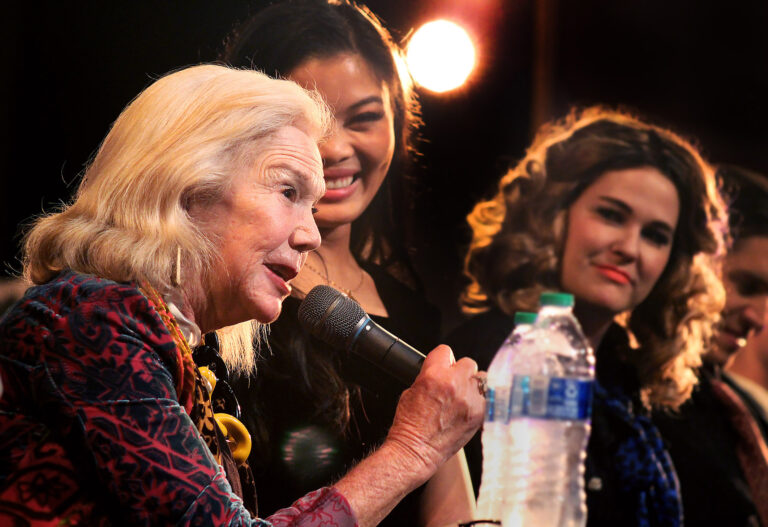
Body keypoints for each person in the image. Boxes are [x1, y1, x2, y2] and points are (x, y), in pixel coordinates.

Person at [0, 64, 485, 526]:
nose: (311, 235)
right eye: (288, 192)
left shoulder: (179, 347)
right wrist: (412, 449)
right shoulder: (88, 319)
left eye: (313, 206)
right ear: (188, 187)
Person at [222, 2, 473, 526]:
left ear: (398, 124)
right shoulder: (230, 296)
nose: (335, 148)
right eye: (309, 123)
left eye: (363, 119)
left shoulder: (411, 309)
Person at [448, 106, 727, 526]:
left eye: (655, 235)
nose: (630, 248)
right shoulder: (489, 355)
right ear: (553, 217)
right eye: (611, 215)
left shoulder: (630, 382)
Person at [654, 164, 768, 527]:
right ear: (691, 262)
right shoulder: (618, 394)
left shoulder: (742, 407)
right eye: (747, 285)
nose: (759, 319)